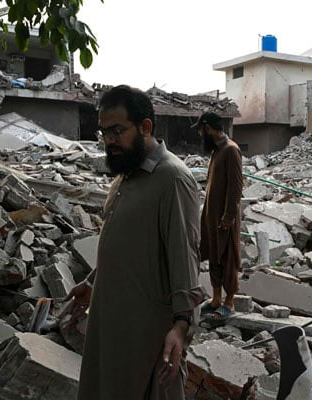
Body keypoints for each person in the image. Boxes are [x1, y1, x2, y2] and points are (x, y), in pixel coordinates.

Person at [64, 85, 204, 400]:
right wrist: (91, 282)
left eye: (117, 131)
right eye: (103, 133)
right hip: (111, 324)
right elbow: (128, 245)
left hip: (145, 334)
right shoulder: (128, 175)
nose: (108, 142)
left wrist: (182, 325)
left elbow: (185, 257)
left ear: (145, 127)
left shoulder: (172, 179)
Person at [193, 112, 243, 321]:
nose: (200, 134)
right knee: (214, 254)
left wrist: (228, 216)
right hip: (212, 215)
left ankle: (229, 302)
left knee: (228, 257)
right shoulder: (217, 150)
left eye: (201, 130)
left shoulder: (231, 150)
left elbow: (236, 186)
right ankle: (215, 299)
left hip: (225, 218)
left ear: (208, 128)